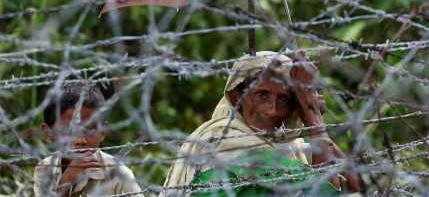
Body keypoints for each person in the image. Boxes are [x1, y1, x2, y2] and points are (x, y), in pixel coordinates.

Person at [161, 51, 360, 196]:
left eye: (283, 99)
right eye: (262, 95)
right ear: (236, 96)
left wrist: (311, 113)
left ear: (294, 106)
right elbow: (323, 192)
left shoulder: (289, 148)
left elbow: (355, 184)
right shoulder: (221, 142)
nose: (272, 109)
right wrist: (312, 115)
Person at [34, 83, 143, 197]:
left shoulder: (118, 174)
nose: (80, 140)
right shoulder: (46, 169)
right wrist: (68, 179)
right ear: (48, 133)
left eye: (90, 128)